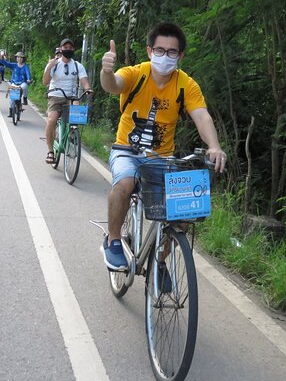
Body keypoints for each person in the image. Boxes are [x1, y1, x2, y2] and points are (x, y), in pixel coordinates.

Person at [99, 22, 227, 270]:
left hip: (161, 158)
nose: (164, 56)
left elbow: (201, 116)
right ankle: (113, 240)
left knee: (187, 208)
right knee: (124, 183)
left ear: (180, 56)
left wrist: (214, 145)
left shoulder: (186, 84)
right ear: (149, 51)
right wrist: (106, 71)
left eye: (171, 52)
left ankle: (159, 262)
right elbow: (113, 84)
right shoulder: (137, 73)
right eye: (159, 50)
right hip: (127, 150)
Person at [42, 38, 93, 164]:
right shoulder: (54, 64)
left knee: (77, 108)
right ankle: (50, 151)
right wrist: (49, 67)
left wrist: (88, 89)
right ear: (61, 49)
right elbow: (45, 82)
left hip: (71, 97)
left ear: (73, 49)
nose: (68, 49)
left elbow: (84, 80)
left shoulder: (77, 65)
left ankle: (72, 134)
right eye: (65, 47)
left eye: (70, 48)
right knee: (51, 120)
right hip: (55, 95)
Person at [0, 51, 32, 117]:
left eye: (20, 57)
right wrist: (2, 57)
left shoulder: (25, 66)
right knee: (12, 99)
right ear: (16, 58)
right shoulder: (14, 65)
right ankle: (11, 112)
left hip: (22, 83)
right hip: (14, 83)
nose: (19, 58)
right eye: (18, 57)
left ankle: (25, 98)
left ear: (23, 59)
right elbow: (6, 63)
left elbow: (28, 73)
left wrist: (28, 79)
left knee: (25, 87)